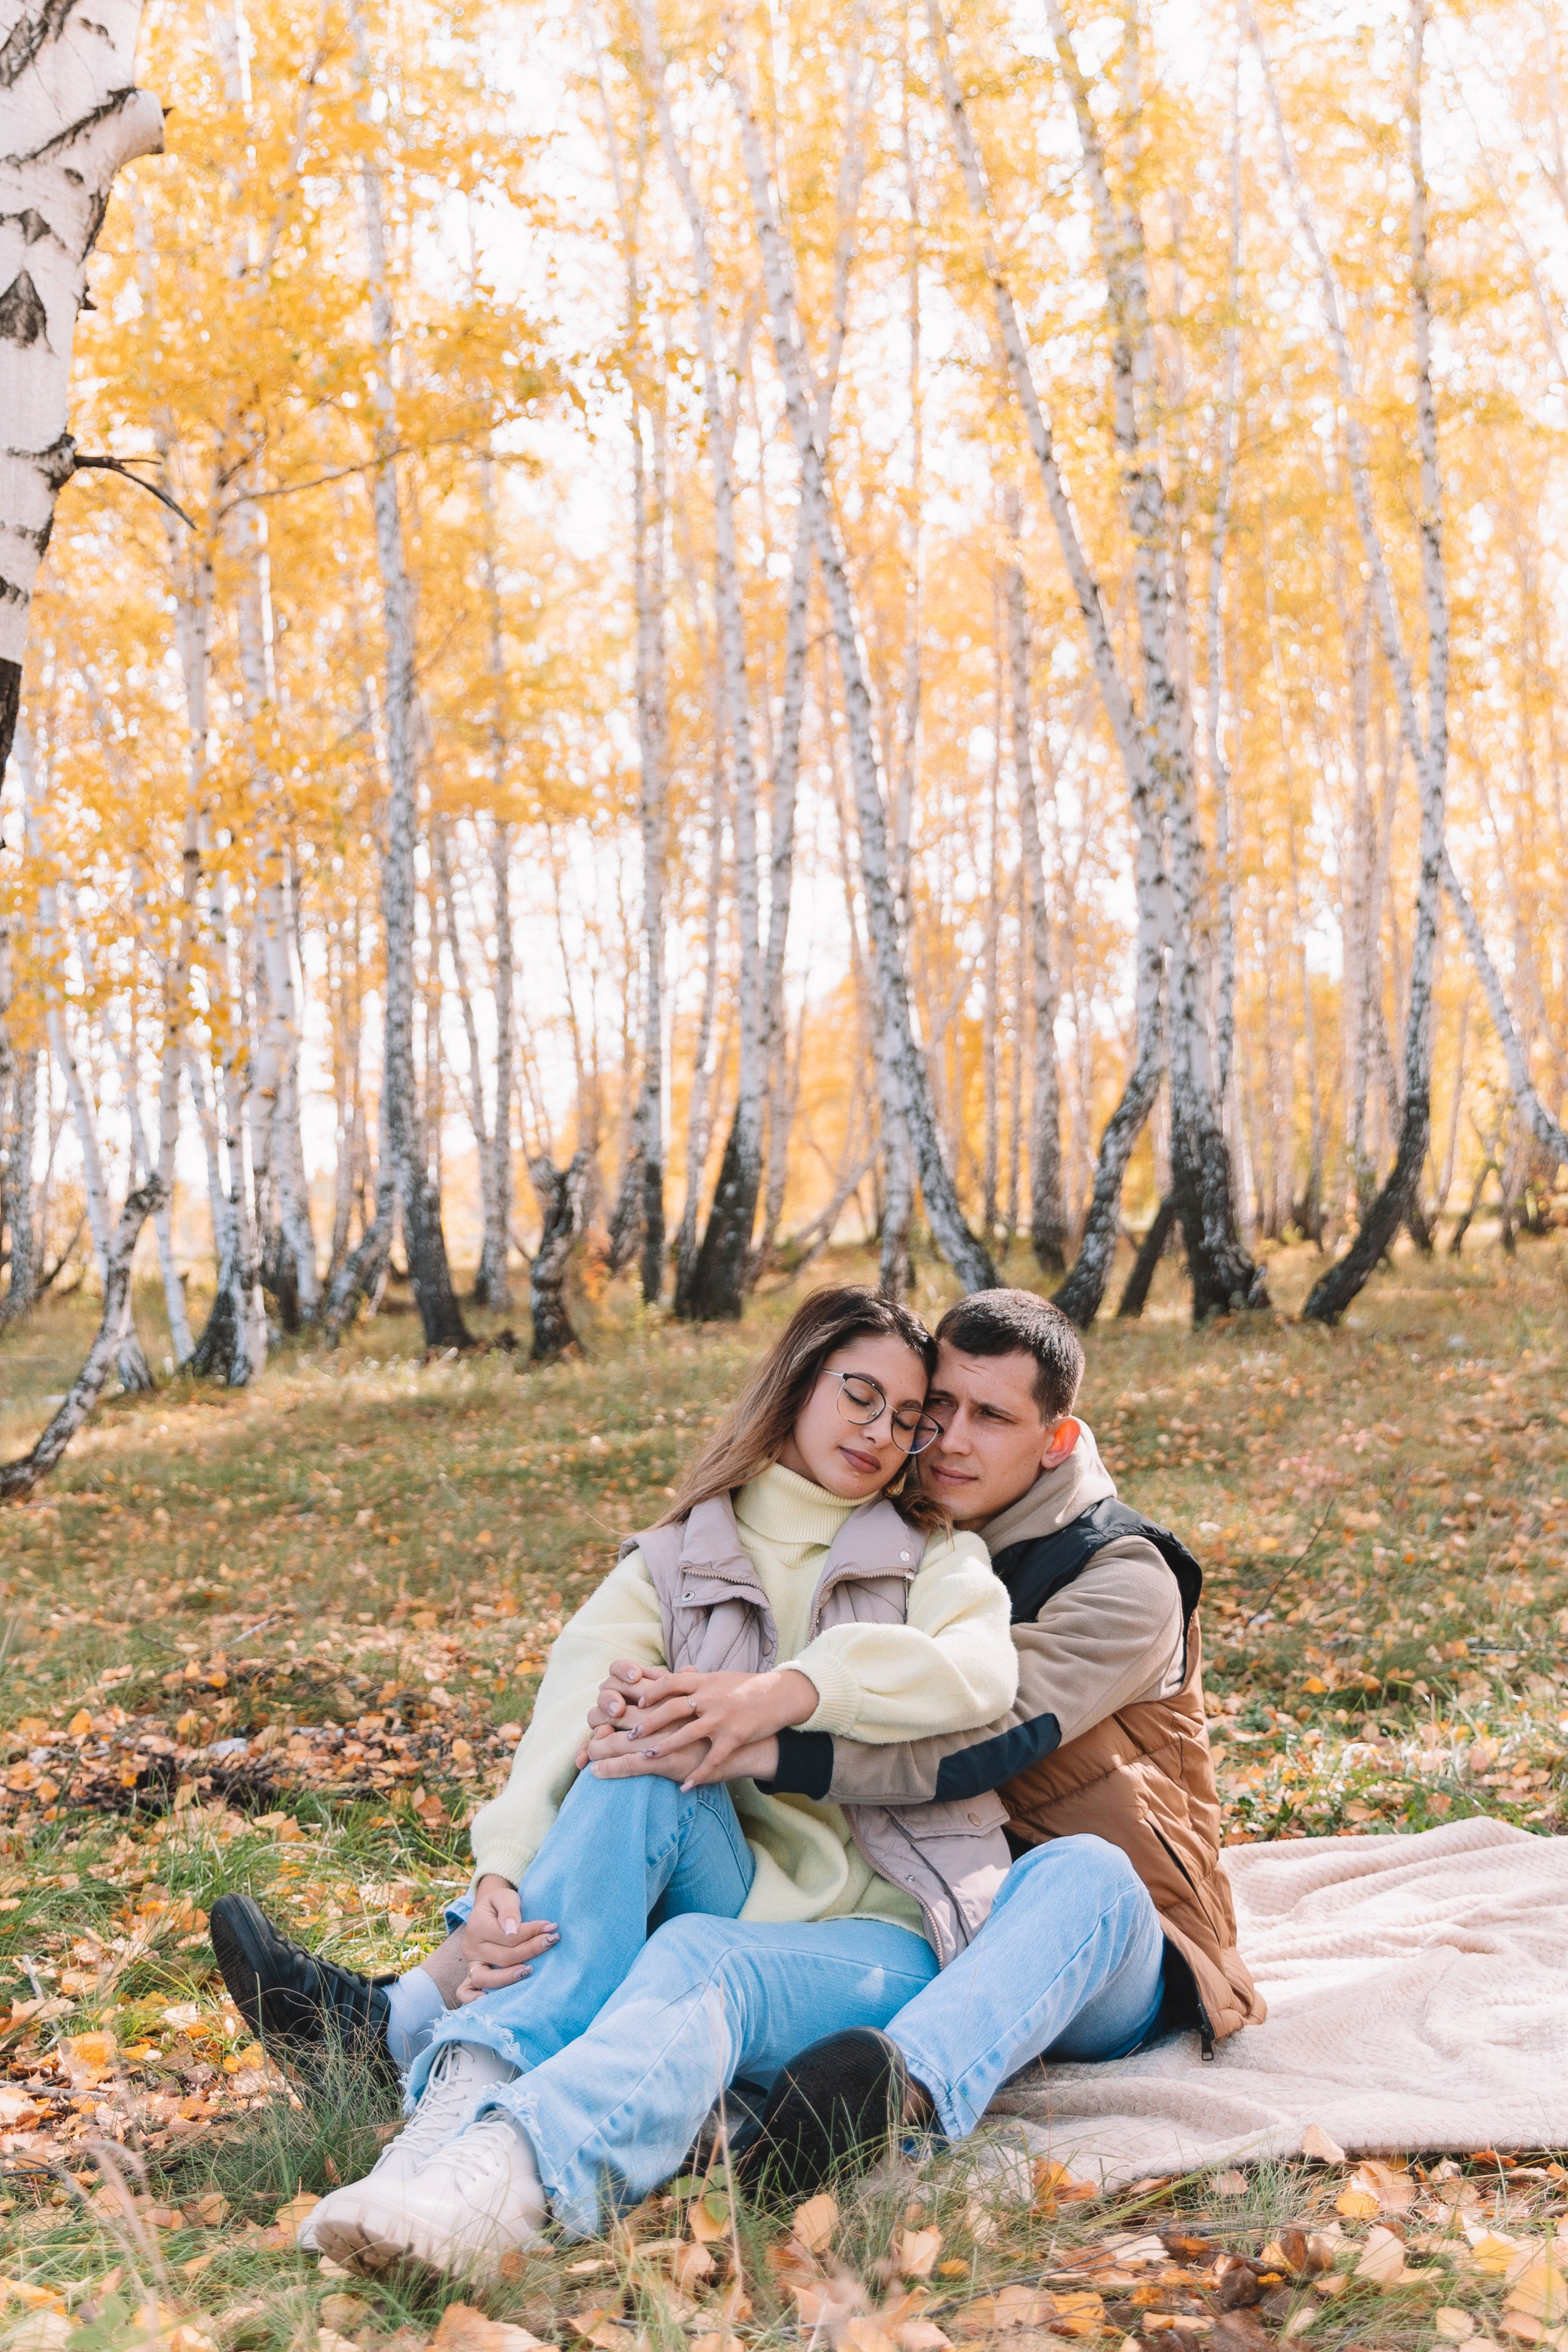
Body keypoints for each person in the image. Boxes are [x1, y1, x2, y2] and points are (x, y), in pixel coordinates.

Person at [248, 1286, 1021, 2272]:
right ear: (796, 1384)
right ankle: (436, 2139)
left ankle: (477, 2168)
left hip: (879, 1928)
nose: (880, 1433)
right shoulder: (674, 1559)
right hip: (730, 1887)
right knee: (626, 1756)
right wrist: (498, 1878)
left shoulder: (935, 1557)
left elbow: (981, 1672)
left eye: (905, 1419)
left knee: (694, 1919)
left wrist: (788, 1691)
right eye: (859, 1396)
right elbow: (561, 1722)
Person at [582, 1286, 1263, 2195]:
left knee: (1083, 1874)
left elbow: (982, 1740)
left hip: (1104, 1939)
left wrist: (767, 1739)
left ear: (1055, 1440)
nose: (950, 1440)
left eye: (991, 1417)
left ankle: (883, 2100)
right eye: (936, 1409)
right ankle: (436, 2007)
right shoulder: (898, 1537)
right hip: (927, 1908)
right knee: (644, 1784)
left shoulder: (1125, 1579)